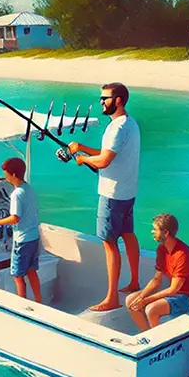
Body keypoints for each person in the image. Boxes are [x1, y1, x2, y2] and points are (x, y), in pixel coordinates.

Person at [67, 82, 142, 311]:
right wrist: (82, 147)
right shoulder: (129, 124)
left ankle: (111, 298)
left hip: (111, 194)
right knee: (128, 234)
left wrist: (83, 159)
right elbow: (107, 154)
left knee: (109, 243)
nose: (101, 102)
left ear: (118, 100)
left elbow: (104, 161)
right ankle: (134, 282)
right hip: (128, 192)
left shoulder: (117, 128)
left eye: (105, 98)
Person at [125, 214, 189, 331]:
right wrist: (141, 297)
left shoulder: (182, 254)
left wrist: (146, 301)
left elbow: (173, 289)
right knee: (130, 300)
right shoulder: (162, 249)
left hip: (187, 296)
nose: (152, 232)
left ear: (166, 233)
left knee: (152, 309)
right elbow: (156, 280)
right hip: (175, 293)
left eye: (155, 229)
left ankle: (157, 340)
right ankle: (147, 333)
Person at [0, 158, 41, 302]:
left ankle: (23, 305)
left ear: (14, 174)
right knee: (31, 270)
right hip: (34, 236)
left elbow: (15, 218)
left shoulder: (16, 194)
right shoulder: (28, 189)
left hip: (22, 239)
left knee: (17, 275)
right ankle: (39, 301)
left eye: (7, 174)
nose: (5, 177)